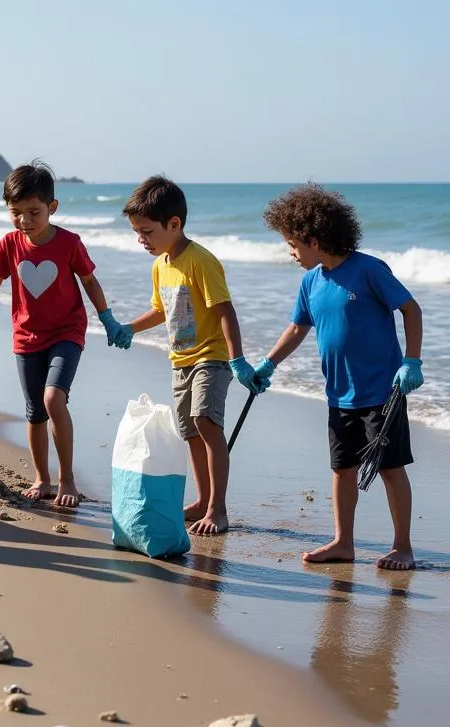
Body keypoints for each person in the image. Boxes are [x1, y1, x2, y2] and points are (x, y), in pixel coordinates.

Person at [255, 184, 423, 570]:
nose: (291, 253)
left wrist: (412, 362)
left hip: (383, 392)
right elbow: (298, 328)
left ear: (314, 238)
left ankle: (403, 546)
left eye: (293, 244)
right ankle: (343, 541)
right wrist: (269, 364)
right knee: (341, 469)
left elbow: (411, 310)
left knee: (390, 468)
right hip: (339, 395)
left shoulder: (369, 270)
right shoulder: (311, 282)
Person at [0, 163, 130, 508]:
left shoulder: (69, 243)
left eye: (33, 212)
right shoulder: (8, 244)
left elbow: (89, 281)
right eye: (16, 213)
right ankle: (42, 478)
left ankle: (67, 479)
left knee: (53, 399)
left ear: (52, 208)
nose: (25, 220)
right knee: (34, 411)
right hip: (26, 336)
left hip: (67, 332)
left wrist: (107, 318)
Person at [117, 176, 262, 536]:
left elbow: (225, 310)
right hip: (180, 359)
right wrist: (129, 329)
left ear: (174, 224)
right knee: (191, 432)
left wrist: (238, 359)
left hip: (212, 356)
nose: (141, 240)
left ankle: (218, 507)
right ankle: (202, 500)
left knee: (206, 422)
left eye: (147, 232)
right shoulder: (160, 265)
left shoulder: (201, 261)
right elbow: (161, 310)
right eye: (137, 232)